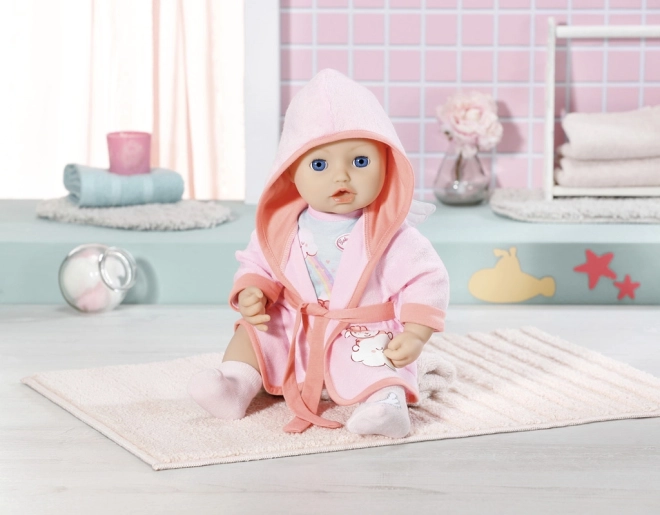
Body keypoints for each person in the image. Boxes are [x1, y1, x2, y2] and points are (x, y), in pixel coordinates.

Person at [188, 69, 449, 438]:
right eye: (320, 165)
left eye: (360, 162)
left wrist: (417, 332)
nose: (341, 177)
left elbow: (426, 278)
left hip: (358, 328)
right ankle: (234, 385)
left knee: (381, 357)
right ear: (291, 172)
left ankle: (386, 407)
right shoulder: (281, 227)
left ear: (387, 163)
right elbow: (257, 263)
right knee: (254, 333)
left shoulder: (390, 232)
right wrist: (254, 291)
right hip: (295, 324)